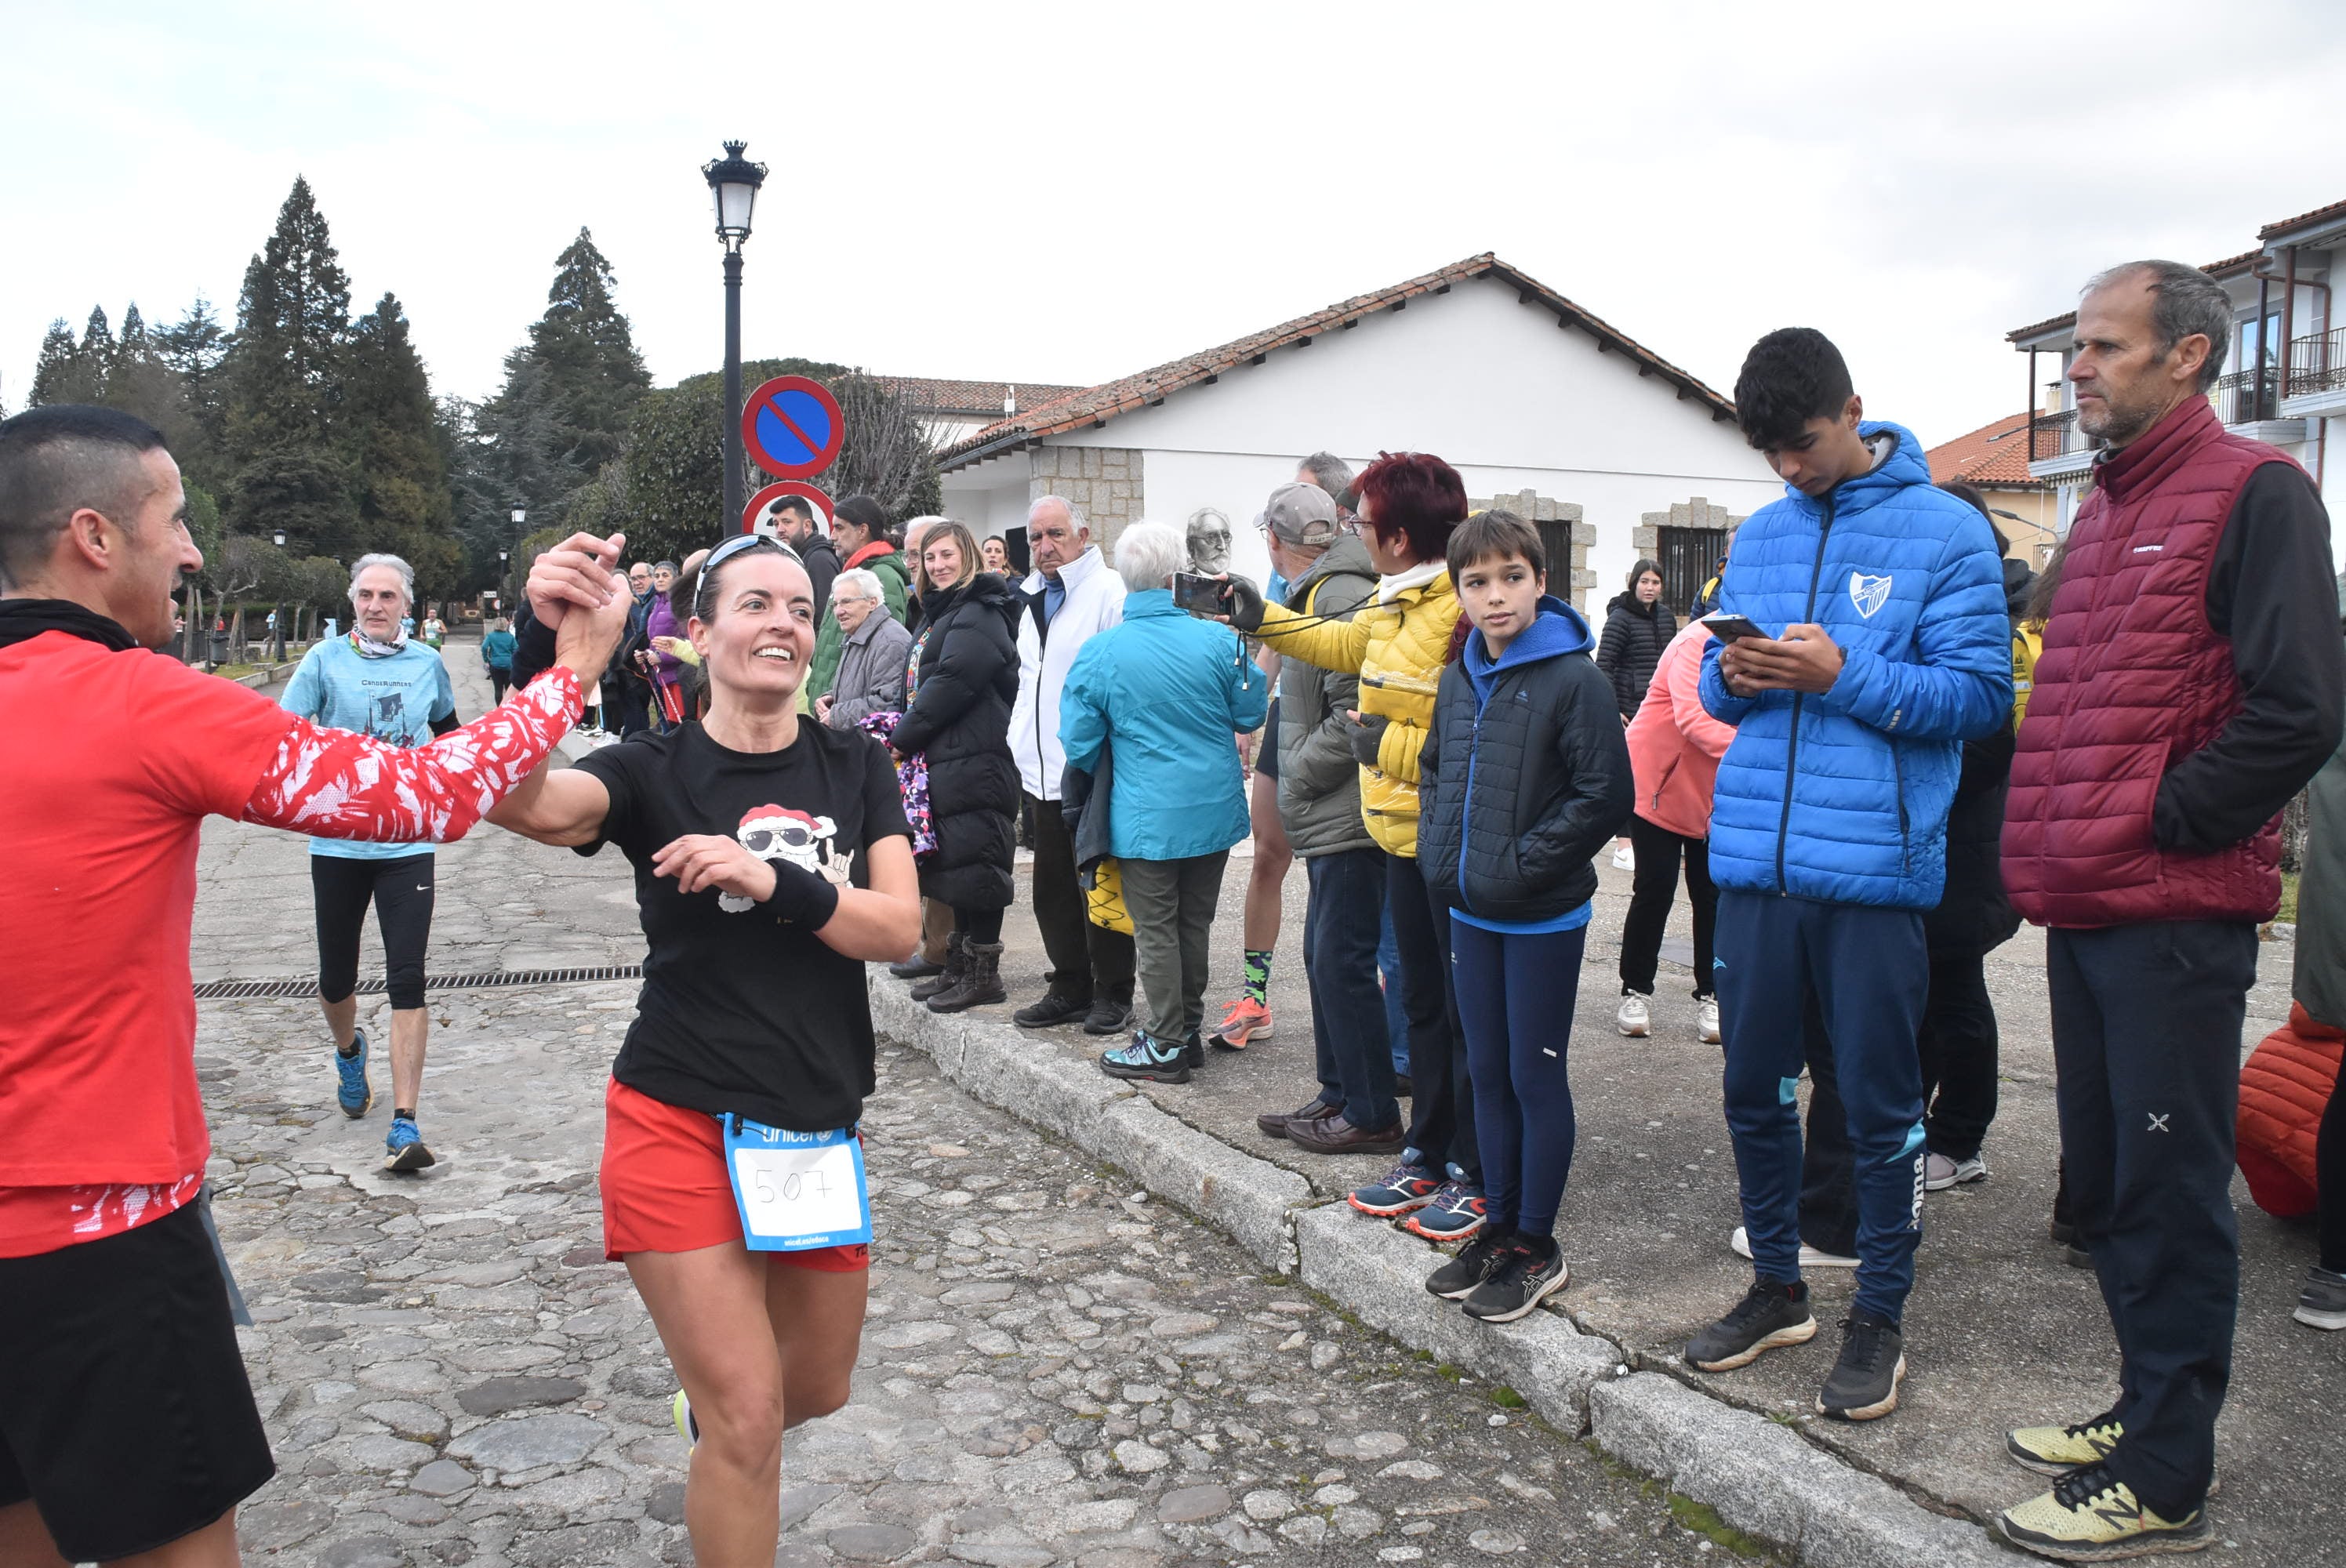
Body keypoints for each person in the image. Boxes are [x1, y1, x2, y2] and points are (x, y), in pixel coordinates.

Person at [0, 404, 628, 1568]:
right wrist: (570, 674)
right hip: (96, 1224)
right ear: (93, 536)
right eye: (174, 522)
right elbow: (428, 800)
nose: (191, 551)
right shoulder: (139, 699)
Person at [1994, 261, 2343, 1561]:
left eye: (2099, 346)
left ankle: (2165, 1472)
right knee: (2114, 1183)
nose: (2074, 368)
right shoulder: (2104, 511)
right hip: (2087, 903)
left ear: (2184, 356)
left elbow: (2300, 704)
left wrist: (2166, 816)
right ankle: (2141, 1405)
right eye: (2074, 348)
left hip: (2167, 913)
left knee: (2169, 1185)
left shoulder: (2256, 492)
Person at [485, 532, 921, 1568]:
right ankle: (727, 1415)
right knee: (751, 1421)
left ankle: (719, 1408)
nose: (783, 623)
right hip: (674, 1116)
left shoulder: (854, 764)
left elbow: (901, 929)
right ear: (700, 629)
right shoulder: (653, 769)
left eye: (801, 610)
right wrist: (546, 657)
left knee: (815, 1388)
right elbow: (521, 802)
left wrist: (777, 880)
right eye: (757, 604)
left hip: (812, 1125)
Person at [1685, 327, 2010, 1426]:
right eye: (1770, 451)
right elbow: (1721, 698)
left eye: (1805, 443)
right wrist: (1736, 674)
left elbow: (1976, 700)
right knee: (1753, 1091)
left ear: (1855, 409)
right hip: (1756, 870)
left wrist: (1841, 671)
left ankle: (1879, 1314)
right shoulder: (1762, 533)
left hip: (1874, 873)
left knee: (1874, 1106)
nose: (1789, 468)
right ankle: (1778, 1287)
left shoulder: (1947, 531)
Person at [1223, 452, 1484, 1239]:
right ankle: (1427, 1150)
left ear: (1398, 537)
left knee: (1457, 1011)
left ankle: (1468, 1165)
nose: (1353, 533)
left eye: (1363, 523)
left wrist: (1375, 754)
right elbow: (1336, 644)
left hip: (1440, 837)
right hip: (1396, 831)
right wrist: (1252, 612)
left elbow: (1457, 740)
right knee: (1427, 1009)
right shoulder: (1395, 603)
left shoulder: (1455, 613)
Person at [1416, 511, 1631, 1320]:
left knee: (1533, 1074)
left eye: (1511, 576)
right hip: (1470, 909)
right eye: (1477, 581)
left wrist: (1517, 863)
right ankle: (1497, 1223)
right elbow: (1437, 768)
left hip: (1539, 916)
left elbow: (1605, 795)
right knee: (1487, 1071)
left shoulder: (1575, 678)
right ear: (1459, 591)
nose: (1495, 595)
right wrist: (1449, 854)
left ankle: (1536, 1243)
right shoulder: (1457, 676)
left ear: (1541, 580)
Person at [1062, 521, 1267, 1082]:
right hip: (1214, 809)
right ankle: (1187, 1032)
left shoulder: (1102, 652)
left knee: (1156, 930)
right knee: (1193, 926)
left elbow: (1078, 744)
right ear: (1180, 574)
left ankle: (1166, 1041)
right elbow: (1250, 715)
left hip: (1144, 814)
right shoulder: (1221, 640)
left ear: (1126, 579)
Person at [281, 554, 461, 1172]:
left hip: (407, 843)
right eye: (366, 594)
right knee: (337, 978)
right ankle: (348, 1051)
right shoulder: (323, 661)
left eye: (388, 595)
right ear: (352, 600)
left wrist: (448, 791)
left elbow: (450, 739)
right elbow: (281, 735)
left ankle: (405, 1123)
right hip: (338, 843)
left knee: (407, 977)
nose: (376, 605)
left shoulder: (427, 664)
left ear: (407, 605)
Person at [1247, 482, 1393, 1149]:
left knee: (1342, 961)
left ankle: (1370, 1113)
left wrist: (1297, 770)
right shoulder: (1320, 590)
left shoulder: (1334, 595)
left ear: (1275, 542)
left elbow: (1354, 711)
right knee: (1324, 957)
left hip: (1348, 814)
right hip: (1333, 813)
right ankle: (1338, 1095)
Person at [1006, 495, 1136, 1034]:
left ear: (1083, 535)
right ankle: (1069, 984)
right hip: (1040, 769)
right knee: (1053, 888)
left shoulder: (1108, 592)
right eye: (1036, 538)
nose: (1045, 547)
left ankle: (1113, 991)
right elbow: (1029, 680)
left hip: (1088, 768)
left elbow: (1120, 680)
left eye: (1056, 534)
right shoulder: (1032, 597)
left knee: (1100, 888)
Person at [891, 520, 1021, 1013]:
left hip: (979, 755)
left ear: (968, 556)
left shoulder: (980, 611)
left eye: (947, 555)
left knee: (980, 864)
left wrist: (900, 740)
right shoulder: (938, 611)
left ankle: (984, 975)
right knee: (959, 864)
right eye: (930, 558)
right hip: (948, 756)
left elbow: (953, 683)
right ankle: (959, 967)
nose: (938, 565)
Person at [1615, 612, 1735, 1044]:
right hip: (1657, 782)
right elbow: (1694, 719)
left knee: (1712, 894)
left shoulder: (1768, 637)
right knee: (1655, 888)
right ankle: (1635, 990)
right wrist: (1768, 748)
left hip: (1713, 791)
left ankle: (1714, 994)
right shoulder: (1694, 641)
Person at [1596, 559, 1672, 873]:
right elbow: (1604, 665)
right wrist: (1614, 708)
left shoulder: (1667, 619)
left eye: (1655, 582)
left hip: (1660, 709)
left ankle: (1649, 835)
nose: (1650, 588)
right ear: (1634, 583)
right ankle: (1624, 843)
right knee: (1629, 776)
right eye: (1644, 582)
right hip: (1630, 709)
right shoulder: (1620, 619)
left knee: (1657, 774)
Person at [808, 496, 909, 709]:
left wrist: (843, 710)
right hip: (834, 707)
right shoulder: (854, 574)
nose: (832, 536)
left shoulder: (883, 576)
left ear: (862, 530)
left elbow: (887, 653)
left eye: (839, 527)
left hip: (851, 717)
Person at [815, 567, 913, 731]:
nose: (838, 611)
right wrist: (831, 698)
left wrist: (838, 715)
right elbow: (861, 687)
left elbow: (889, 704)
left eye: (846, 602)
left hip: (871, 750)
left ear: (872, 603)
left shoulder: (890, 641)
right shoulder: (858, 634)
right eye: (835, 604)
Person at [772, 494, 841, 611]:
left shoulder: (819, 559)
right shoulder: (800, 558)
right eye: (776, 524)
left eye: (787, 522)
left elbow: (827, 615)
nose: (780, 530)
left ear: (807, 526)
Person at [645, 558, 687, 730]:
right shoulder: (656, 605)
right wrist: (646, 654)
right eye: (656, 576)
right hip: (661, 674)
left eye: (665, 575)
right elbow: (655, 638)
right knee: (668, 721)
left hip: (678, 674)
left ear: (676, 578)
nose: (660, 579)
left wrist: (661, 657)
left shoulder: (680, 605)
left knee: (680, 722)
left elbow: (688, 640)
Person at [483, 614, 518, 703]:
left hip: (495, 664)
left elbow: (484, 647)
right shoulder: (510, 637)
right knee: (508, 689)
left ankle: (499, 708)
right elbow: (516, 649)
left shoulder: (491, 636)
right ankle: (508, 707)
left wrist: (486, 659)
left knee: (498, 689)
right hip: (509, 664)